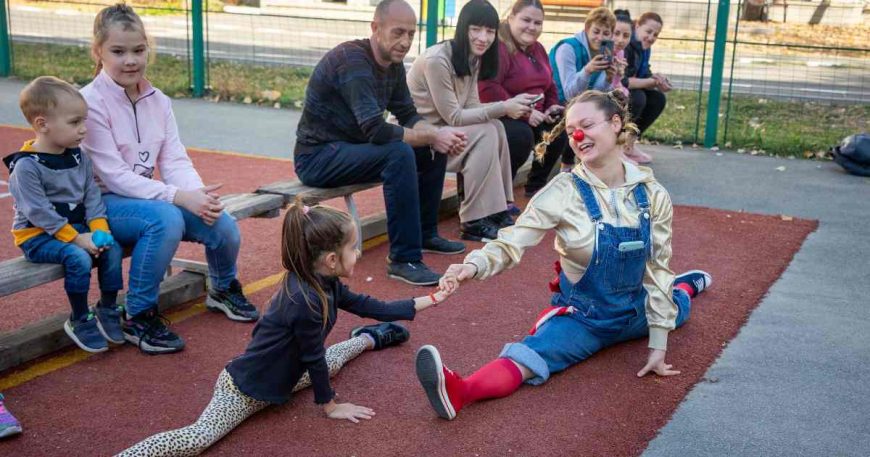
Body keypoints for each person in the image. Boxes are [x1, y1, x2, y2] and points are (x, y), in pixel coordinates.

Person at [414, 90, 713, 420]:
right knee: (530, 356)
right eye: (571, 132)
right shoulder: (562, 192)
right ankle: (460, 391)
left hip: (636, 310)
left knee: (675, 309)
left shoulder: (652, 193)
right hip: (584, 319)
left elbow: (657, 267)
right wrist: (473, 265)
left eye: (586, 125)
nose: (578, 136)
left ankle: (686, 287)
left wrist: (658, 346)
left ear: (616, 124)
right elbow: (512, 241)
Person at [118, 200, 455, 456]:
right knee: (198, 438)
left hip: (287, 376)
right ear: (331, 260)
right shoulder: (304, 301)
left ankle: (369, 338)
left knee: (332, 359)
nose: (358, 252)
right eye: (353, 247)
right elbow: (312, 357)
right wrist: (331, 405)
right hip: (244, 391)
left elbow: (372, 306)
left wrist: (432, 299)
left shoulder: (325, 282)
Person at [81, 4, 259, 356]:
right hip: (102, 205)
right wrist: (178, 197)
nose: (130, 60)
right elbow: (114, 176)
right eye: (118, 51)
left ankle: (222, 288)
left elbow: (174, 157)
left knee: (222, 223)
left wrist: (197, 196)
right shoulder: (89, 102)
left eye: (138, 50)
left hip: (147, 197)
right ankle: (138, 314)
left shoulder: (158, 101)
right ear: (98, 52)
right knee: (165, 218)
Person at [294, 0, 467, 286]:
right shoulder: (352, 61)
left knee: (430, 148)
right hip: (318, 157)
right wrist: (433, 134)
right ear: (375, 28)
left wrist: (438, 136)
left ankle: (425, 233)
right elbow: (375, 130)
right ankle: (403, 259)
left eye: (411, 34)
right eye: (398, 32)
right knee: (399, 152)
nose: (405, 41)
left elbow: (409, 116)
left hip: (352, 149)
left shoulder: (393, 65)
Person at [5, 76, 125, 353]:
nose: (83, 130)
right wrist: (78, 239)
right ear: (42, 124)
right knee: (77, 258)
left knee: (112, 247)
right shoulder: (26, 166)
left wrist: (99, 229)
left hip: (76, 229)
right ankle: (79, 317)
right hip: (37, 236)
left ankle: (107, 307)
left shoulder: (78, 156)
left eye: (83, 121)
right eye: (75, 123)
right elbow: (39, 212)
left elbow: (92, 195)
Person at [407, 0, 536, 241]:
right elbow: (455, 116)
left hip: (444, 131)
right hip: (419, 137)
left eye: (489, 31)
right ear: (463, 28)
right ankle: (473, 220)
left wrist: (508, 107)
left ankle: (498, 208)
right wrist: (504, 106)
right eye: (476, 29)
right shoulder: (438, 60)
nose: (483, 38)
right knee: (487, 131)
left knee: (495, 126)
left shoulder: (471, 58)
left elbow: (472, 107)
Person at [478, 0, 571, 199]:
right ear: (511, 18)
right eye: (526, 20)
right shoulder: (499, 48)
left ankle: (536, 186)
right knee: (520, 136)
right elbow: (488, 88)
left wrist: (551, 106)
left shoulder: (538, 49)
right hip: (504, 112)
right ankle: (499, 196)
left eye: (537, 23)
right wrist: (526, 113)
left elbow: (550, 84)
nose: (532, 27)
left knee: (557, 130)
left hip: (536, 113)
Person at [623, 12, 671, 164]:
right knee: (638, 98)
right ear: (637, 26)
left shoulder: (644, 46)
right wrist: (651, 82)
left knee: (657, 99)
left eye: (655, 35)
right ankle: (618, 147)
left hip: (630, 87)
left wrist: (657, 79)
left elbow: (643, 72)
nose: (651, 37)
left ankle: (629, 144)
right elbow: (625, 82)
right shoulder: (627, 45)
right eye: (648, 32)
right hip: (613, 90)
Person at [549, 7, 615, 103]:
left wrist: (608, 79)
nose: (600, 38)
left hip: (583, 106)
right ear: (587, 29)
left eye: (606, 33)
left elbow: (597, 94)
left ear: (611, 35)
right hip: (556, 107)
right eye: (596, 32)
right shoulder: (567, 48)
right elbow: (569, 95)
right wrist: (587, 71)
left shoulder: (604, 53)